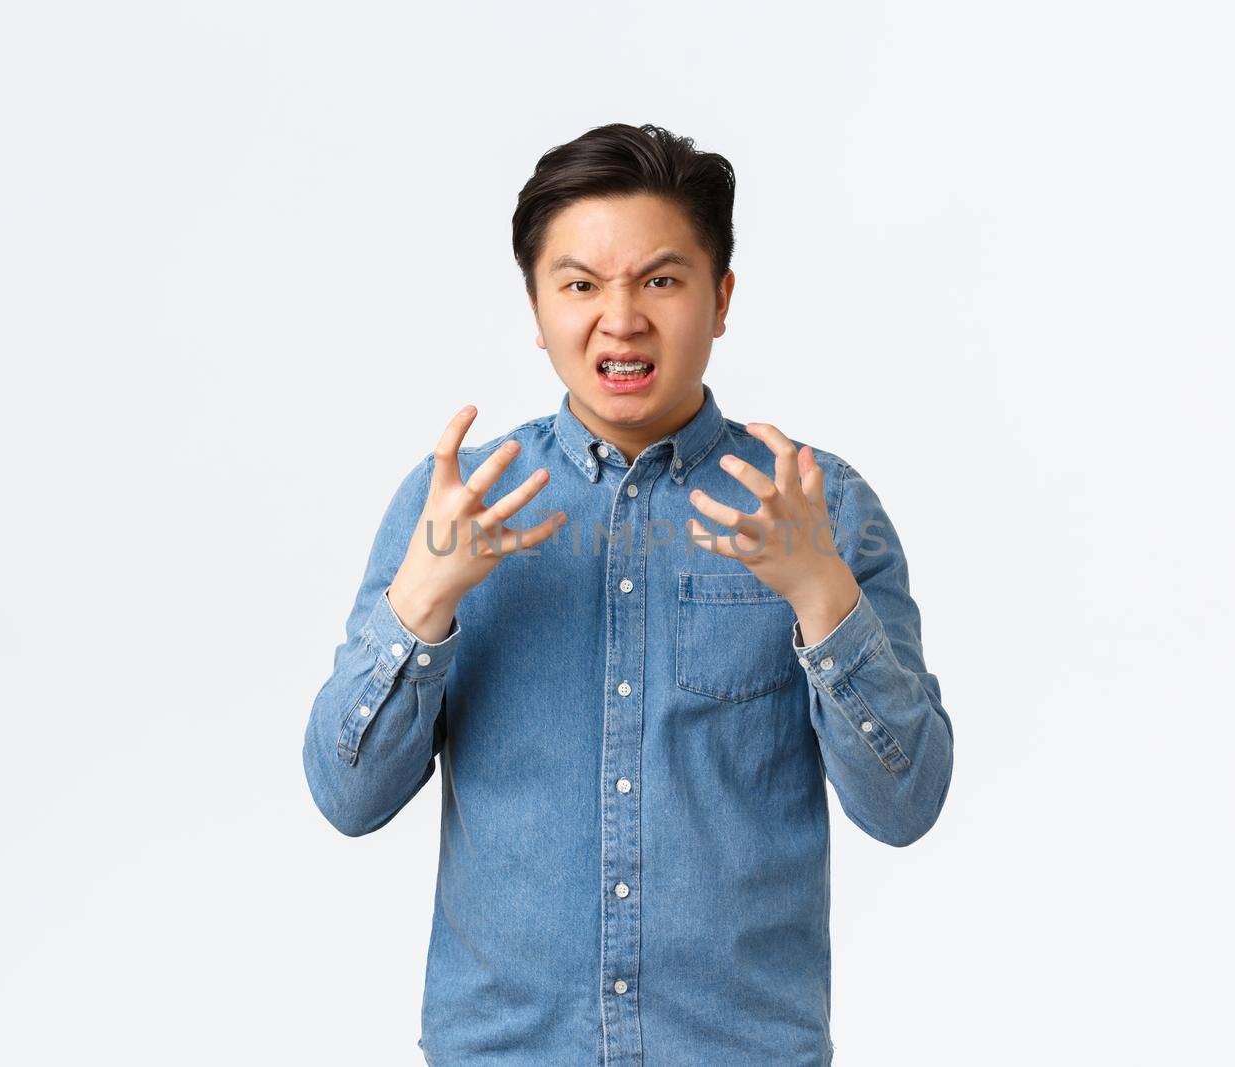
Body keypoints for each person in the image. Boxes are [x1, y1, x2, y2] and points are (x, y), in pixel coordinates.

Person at [301, 122, 955, 1066]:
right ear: (535, 308)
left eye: (660, 279)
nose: (621, 318)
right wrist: (423, 600)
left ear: (721, 298)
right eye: (579, 284)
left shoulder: (823, 508)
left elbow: (909, 805)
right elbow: (345, 796)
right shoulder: (453, 503)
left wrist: (821, 593)